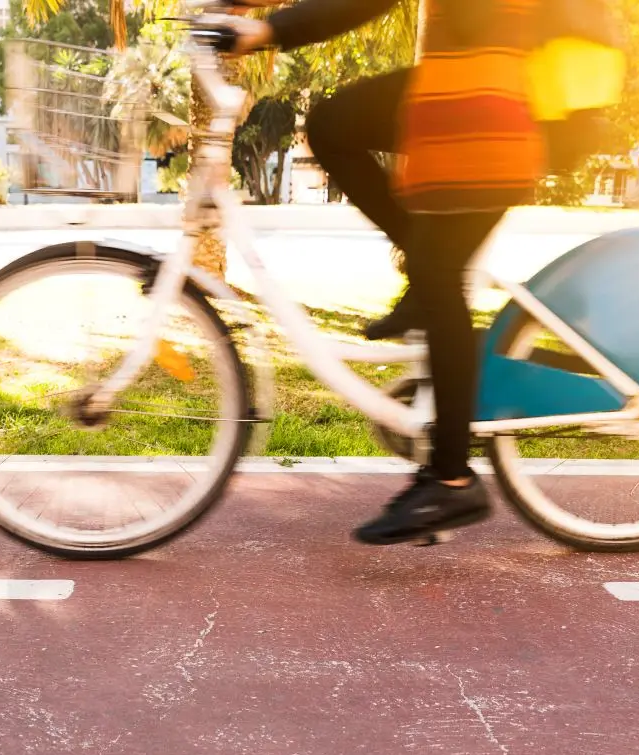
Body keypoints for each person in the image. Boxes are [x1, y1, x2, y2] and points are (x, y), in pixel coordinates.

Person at [220, 0, 546, 545]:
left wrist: (269, 29)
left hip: (497, 106)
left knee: (440, 276)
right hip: (465, 91)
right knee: (332, 124)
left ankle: (451, 478)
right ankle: (425, 276)